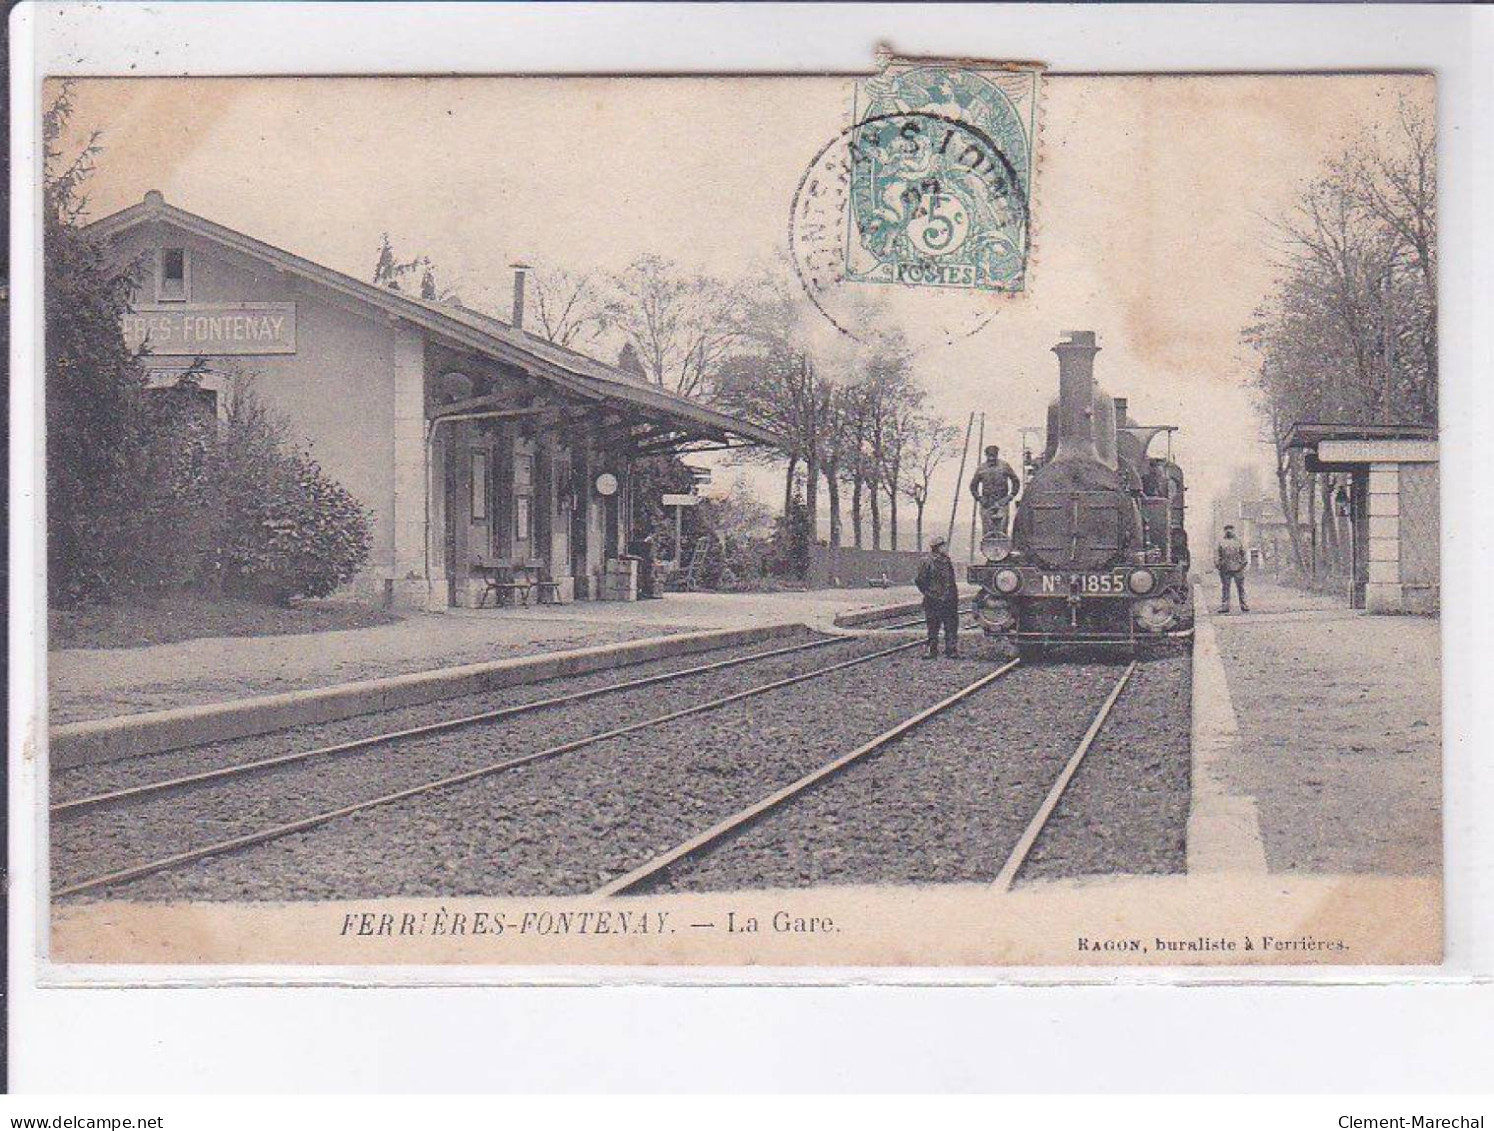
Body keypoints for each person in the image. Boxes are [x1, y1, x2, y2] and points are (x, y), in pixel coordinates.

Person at [915, 536, 960, 659]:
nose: (945, 548)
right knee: (933, 626)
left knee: (951, 625)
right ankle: (932, 650)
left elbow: (951, 580)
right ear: (937, 548)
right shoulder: (927, 561)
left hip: (949, 599)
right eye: (943, 546)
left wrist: (953, 596)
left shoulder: (947, 561)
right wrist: (929, 592)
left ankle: (951, 650)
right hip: (933, 599)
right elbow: (920, 580)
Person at [969, 445, 1022, 538]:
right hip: (987, 503)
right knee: (987, 531)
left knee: (1002, 529)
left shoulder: (1005, 466)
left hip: (1002, 502)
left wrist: (1010, 496)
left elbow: (1015, 481)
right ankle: (988, 549)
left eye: (994, 456)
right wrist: (979, 498)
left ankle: (1002, 550)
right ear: (986, 455)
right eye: (990, 456)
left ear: (997, 455)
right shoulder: (981, 468)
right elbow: (973, 486)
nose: (992, 458)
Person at [1215, 524, 1250, 613]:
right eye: (1226, 529)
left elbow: (1244, 554)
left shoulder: (1238, 542)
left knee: (1241, 588)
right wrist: (1218, 565)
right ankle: (1225, 606)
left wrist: (1242, 565)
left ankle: (1243, 604)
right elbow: (1217, 555)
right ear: (1224, 531)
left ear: (1233, 530)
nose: (1229, 531)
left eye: (1230, 529)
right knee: (1225, 588)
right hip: (1225, 569)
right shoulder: (1221, 542)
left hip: (1238, 568)